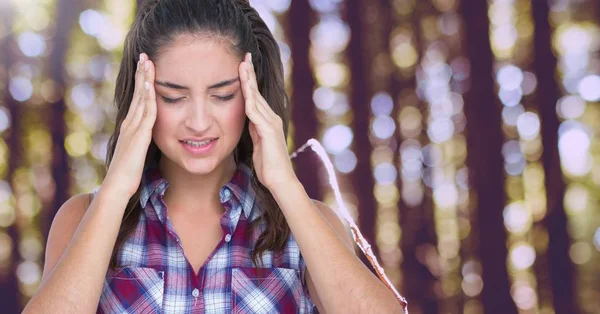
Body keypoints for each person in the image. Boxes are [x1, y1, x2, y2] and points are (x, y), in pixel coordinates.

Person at [23, 0, 404, 313]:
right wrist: (117, 188)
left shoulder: (311, 225)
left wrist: (285, 185)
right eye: (173, 97)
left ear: (254, 96)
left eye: (223, 95)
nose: (200, 122)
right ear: (142, 97)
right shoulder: (81, 220)